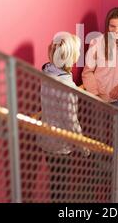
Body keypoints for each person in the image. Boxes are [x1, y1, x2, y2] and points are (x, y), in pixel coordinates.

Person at [38, 32, 89, 201]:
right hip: (61, 145)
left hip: (45, 138)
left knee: (55, 184)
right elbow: (71, 121)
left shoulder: (46, 71)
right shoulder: (67, 86)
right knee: (61, 190)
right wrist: (85, 148)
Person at [82, 7, 118, 110]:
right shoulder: (96, 42)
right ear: (107, 25)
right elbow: (87, 72)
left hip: (117, 99)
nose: (116, 30)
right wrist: (95, 95)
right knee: (97, 127)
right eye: (112, 26)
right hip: (96, 99)